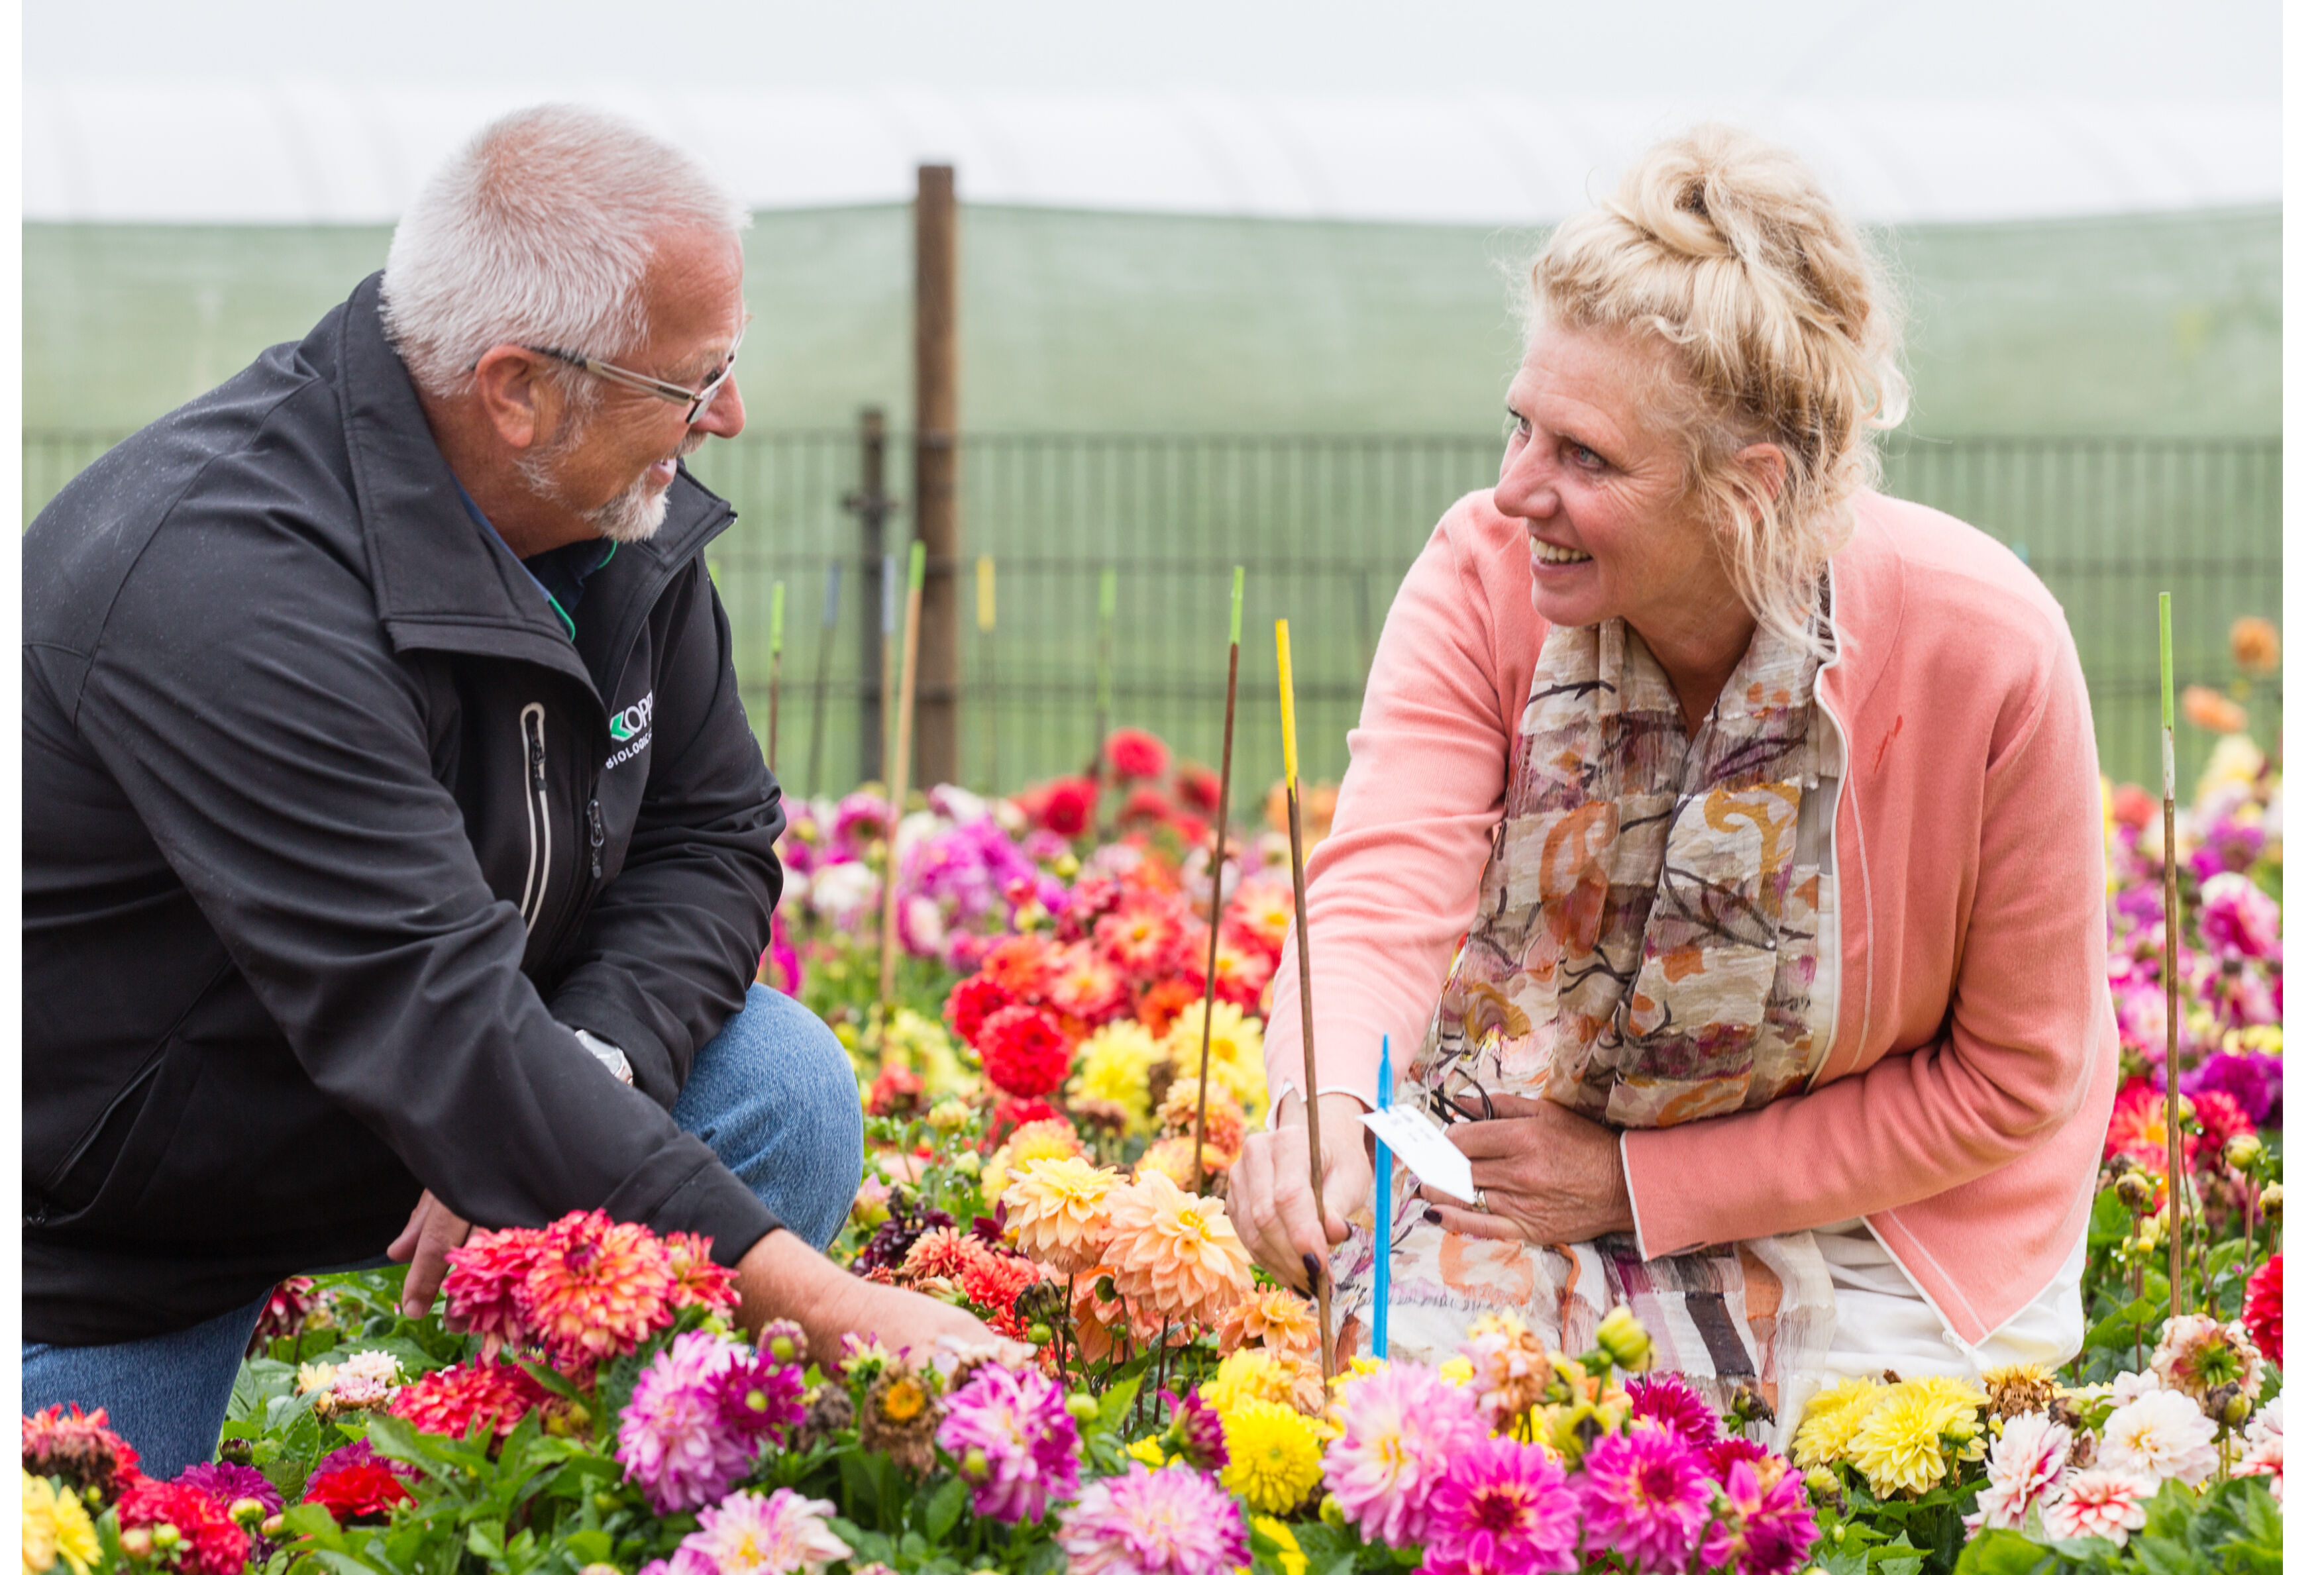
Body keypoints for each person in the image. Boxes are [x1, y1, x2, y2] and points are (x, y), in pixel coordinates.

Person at [21, 105, 998, 1476]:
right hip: (138, 1215)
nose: (726, 415)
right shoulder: (218, 579)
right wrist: (832, 1309)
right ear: (518, 385)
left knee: (776, 1082)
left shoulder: (606, 521)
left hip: (410, 1100)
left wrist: (578, 1070)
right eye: (691, 378)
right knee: (83, 1527)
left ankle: (598, 1477)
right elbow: (423, 1001)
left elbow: (708, 836)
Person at [1226, 125, 2111, 1438]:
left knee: (1791, 1478)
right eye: (1518, 424)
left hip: (1879, 1221)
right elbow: (1382, 886)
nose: (1512, 488)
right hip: (1518, 1153)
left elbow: (2007, 1081)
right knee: (1423, 1432)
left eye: (1582, 458)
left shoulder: (1987, 646)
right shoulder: (1480, 572)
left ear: (1744, 491)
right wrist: (1322, 1097)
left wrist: (1636, 1183)